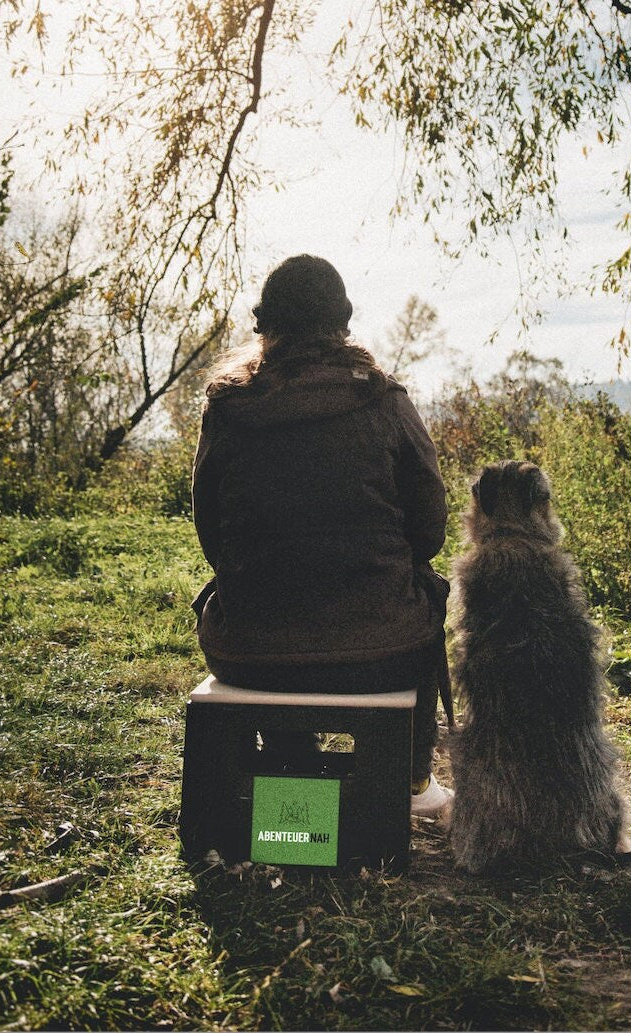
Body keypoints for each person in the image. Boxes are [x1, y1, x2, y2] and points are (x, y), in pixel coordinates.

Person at [191, 254, 453, 817]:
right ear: (343, 323)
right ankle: (411, 784)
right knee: (428, 589)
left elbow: (212, 536)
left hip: (249, 653)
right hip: (381, 653)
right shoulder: (386, 402)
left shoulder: (228, 409)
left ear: (265, 327)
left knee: (278, 635)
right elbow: (429, 531)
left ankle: (291, 785)